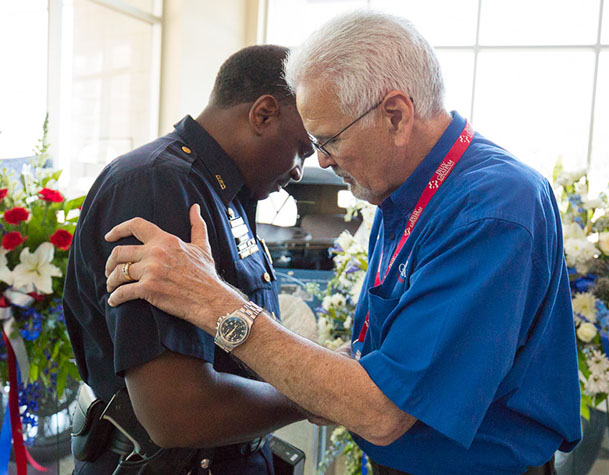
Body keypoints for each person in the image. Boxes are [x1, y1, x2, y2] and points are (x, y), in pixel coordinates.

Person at [103, 11, 582, 475]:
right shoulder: (402, 191)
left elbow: (382, 411)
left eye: (327, 140)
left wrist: (212, 301)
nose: (323, 163)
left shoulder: (490, 209)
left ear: (395, 115)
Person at [63, 44, 315, 474]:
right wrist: (316, 391)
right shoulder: (160, 185)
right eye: (302, 149)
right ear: (264, 114)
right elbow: (178, 414)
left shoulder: (221, 192)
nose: (299, 172)